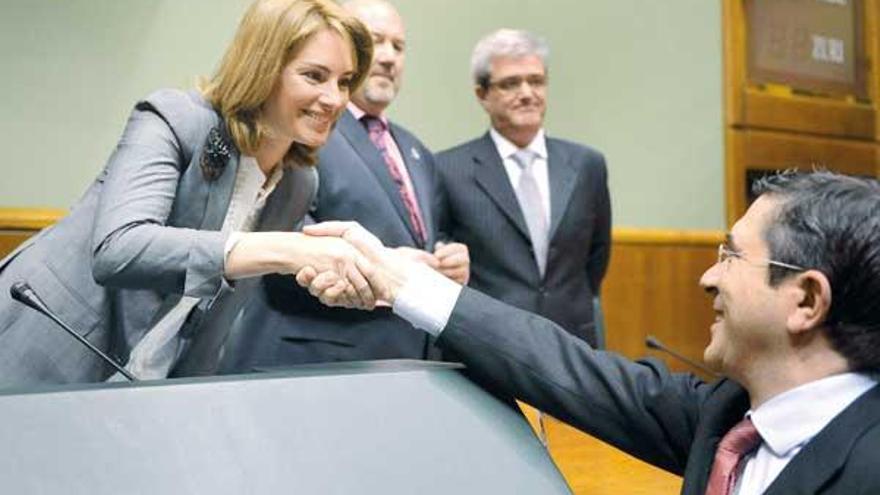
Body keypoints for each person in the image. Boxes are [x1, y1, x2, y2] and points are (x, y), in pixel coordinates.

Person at [301, 170, 880, 493]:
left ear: (806, 299)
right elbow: (562, 366)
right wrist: (399, 282)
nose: (708, 277)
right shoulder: (728, 417)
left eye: (731, 256)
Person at [0, 0, 375, 388]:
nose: (335, 99)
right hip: (41, 344)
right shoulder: (175, 118)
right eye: (314, 76)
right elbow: (119, 250)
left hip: (138, 384)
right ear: (262, 69)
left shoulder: (299, 183)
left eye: (345, 81)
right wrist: (289, 250)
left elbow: (214, 322)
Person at [221, 0, 468, 372]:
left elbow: (428, 236)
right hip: (312, 363)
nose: (387, 57)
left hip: (401, 366)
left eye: (398, 47)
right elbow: (271, 235)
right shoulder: (301, 130)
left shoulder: (416, 150)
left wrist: (449, 258)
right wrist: (384, 266)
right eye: (376, 41)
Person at [435, 29, 611, 345]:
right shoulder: (448, 169)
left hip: (573, 341)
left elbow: (596, 259)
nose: (527, 92)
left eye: (536, 81)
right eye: (510, 83)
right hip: (490, 342)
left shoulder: (587, 165)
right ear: (482, 94)